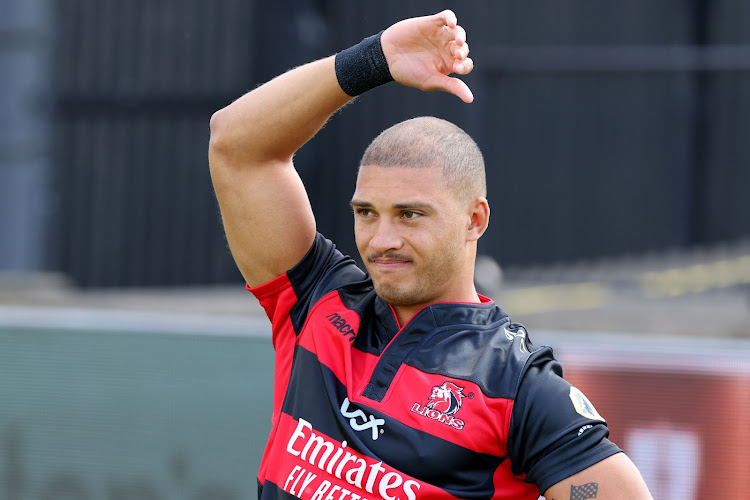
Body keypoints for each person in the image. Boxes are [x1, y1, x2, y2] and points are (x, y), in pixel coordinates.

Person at [208, 10, 652, 500]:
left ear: (475, 220)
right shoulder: (314, 302)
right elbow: (236, 145)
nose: (381, 240)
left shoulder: (517, 385)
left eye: (410, 215)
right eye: (367, 213)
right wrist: (373, 61)